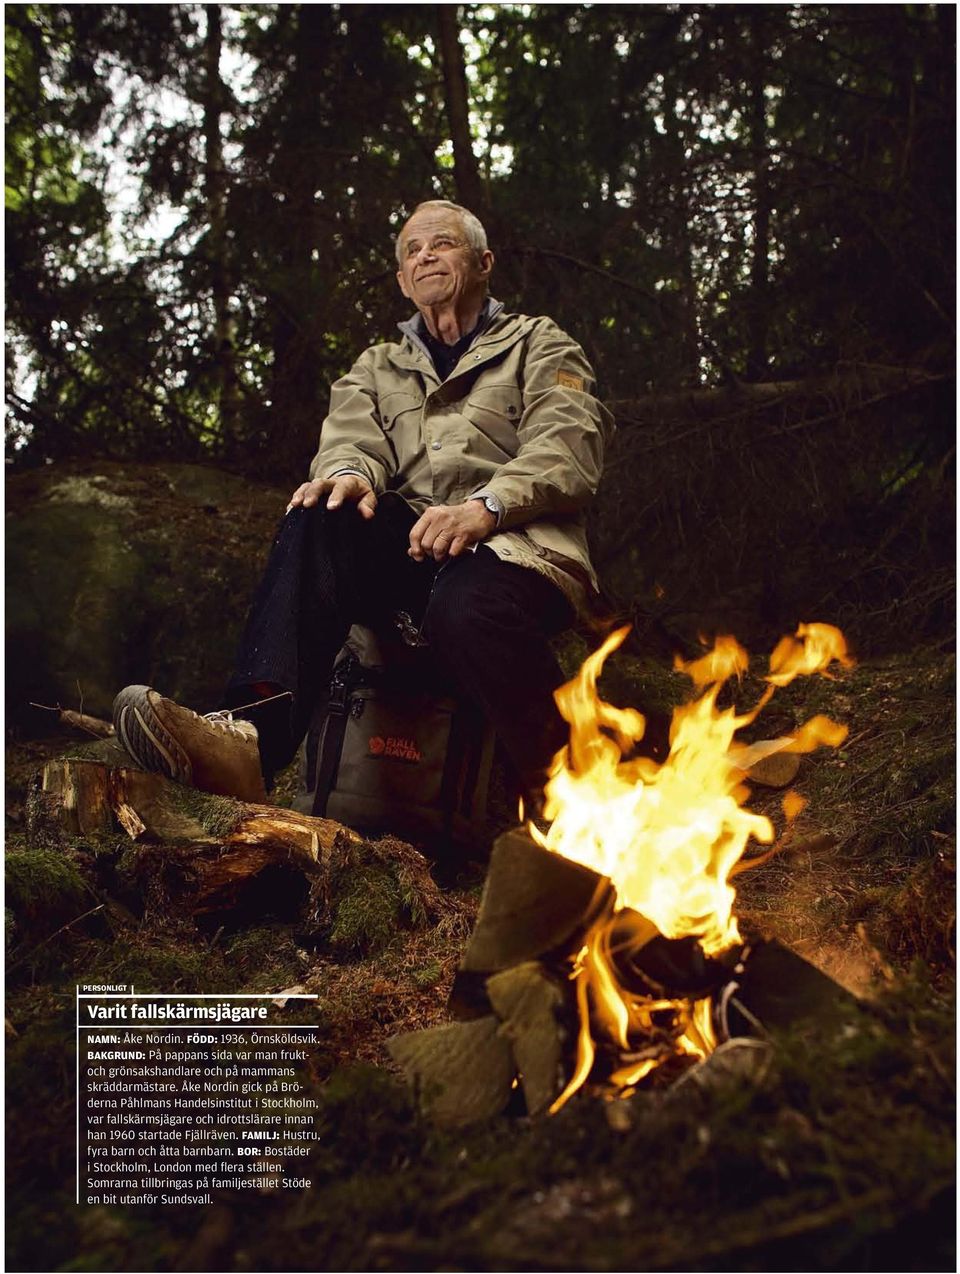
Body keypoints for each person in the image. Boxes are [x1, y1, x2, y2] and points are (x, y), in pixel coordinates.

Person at [113, 199, 614, 816]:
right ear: (403, 282)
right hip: (415, 546)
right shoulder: (377, 366)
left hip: (515, 549)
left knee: (463, 608)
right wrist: (348, 476)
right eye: (412, 250)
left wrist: (486, 505)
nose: (425, 254)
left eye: (442, 243)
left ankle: (574, 803)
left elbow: (567, 448)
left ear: (484, 263)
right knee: (319, 513)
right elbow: (350, 441)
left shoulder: (541, 344)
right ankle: (249, 741)